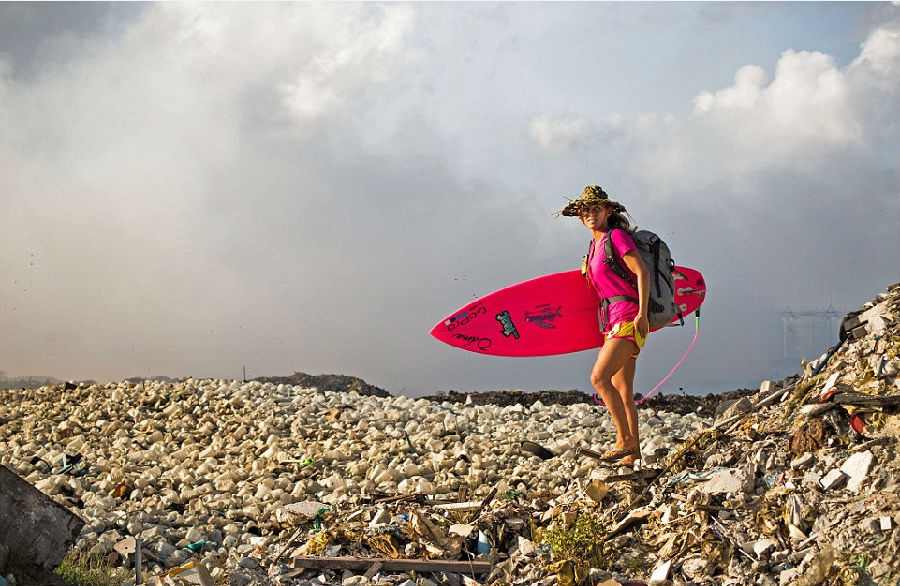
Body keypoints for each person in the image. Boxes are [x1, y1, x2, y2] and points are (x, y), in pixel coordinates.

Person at [559, 185, 650, 467]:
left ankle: (625, 441)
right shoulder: (594, 247)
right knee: (623, 390)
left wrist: (643, 314)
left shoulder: (617, 237)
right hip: (612, 321)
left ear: (608, 211)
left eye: (596, 209)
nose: (590, 214)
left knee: (599, 379)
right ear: (579, 216)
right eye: (586, 210)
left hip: (628, 316)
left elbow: (642, 272)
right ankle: (632, 457)